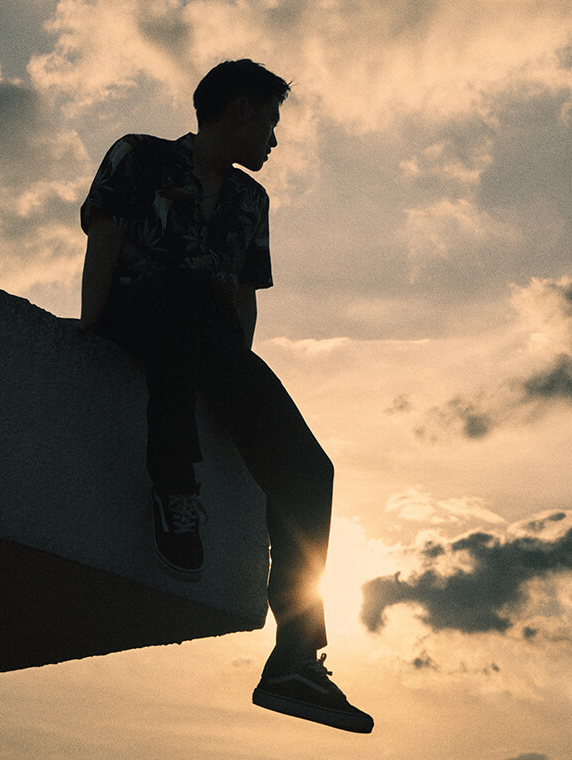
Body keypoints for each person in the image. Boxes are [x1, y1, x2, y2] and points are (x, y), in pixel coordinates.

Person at [77, 59, 372, 734]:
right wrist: (90, 328)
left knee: (309, 469)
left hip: (206, 344)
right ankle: (174, 489)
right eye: (270, 120)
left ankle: (296, 658)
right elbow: (108, 236)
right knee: (182, 289)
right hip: (136, 315)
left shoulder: (249, 202)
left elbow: (240, 298)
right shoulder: (140, 156)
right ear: (239, 109)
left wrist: (239, 387)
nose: (274, 138)